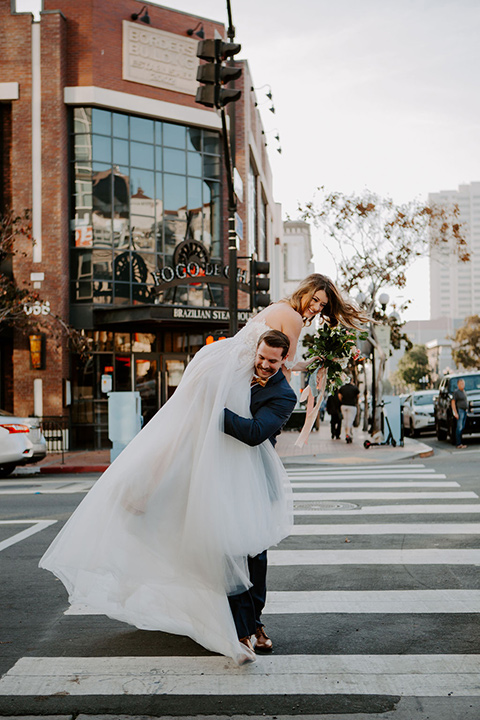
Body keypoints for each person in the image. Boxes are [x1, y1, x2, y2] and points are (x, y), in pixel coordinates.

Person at [39, 274, 367, 665]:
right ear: (305, 293)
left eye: (322, 307)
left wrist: (313, 363)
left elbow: (279, 364)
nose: (316, 309)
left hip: (218, 366)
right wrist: (311, 367)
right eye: (316, 300)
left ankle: (144, 490)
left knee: (185, 437)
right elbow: (281, 367)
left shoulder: (277, 314)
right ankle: (246, 622)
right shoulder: (290, 321)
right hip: (230, 384)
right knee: (204, 451)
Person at [223, 329, 297, 656]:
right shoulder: (237, 371)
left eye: (273, 361)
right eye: (262, 357)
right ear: (257, 351)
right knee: (228, 548)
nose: (265, 365)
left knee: (256, 555)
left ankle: (253, 623)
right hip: (223, 474)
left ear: (284, 361)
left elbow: (254, 433)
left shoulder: (284, 396)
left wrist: (212, 411)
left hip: (257, 477)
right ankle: (244, 629)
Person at [338, 378, 360, 443]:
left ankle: (348, 434)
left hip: (344, 406)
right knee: (350, 421)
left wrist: (342, 401)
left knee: (345, 420)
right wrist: (355, 401)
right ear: (352, 380)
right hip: (352, 406)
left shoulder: (342, 388)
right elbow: (358, 396)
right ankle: (348, 434)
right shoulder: (355, 388)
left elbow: (339, 396)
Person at [451, 377, 468, 449]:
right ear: (458, 384)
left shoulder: (464, 392)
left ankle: (461, 442)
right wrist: (455, 413)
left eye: (463, 383)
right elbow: (453, 402)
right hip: (460, 411)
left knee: (462, 427)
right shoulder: (456, 392)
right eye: (461, 384)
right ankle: (458, 443)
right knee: (459, 427)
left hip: (464, 411)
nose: (462, 385)